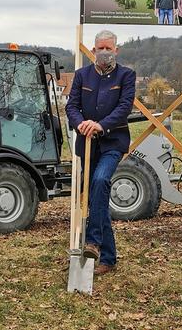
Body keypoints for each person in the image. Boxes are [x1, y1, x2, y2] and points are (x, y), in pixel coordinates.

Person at [66, 30, 136, 276]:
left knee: (100, 180)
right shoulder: (81, 75)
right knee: (97, 196)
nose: (104, 52)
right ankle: (108, 257)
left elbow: (124, 107)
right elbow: (71, 106)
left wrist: (101, 124)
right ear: (93, 50)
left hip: (112, 142)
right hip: (87, 144)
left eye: (108, 48)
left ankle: (93, 241)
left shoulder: (126, 75)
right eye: (99, 48)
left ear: (116, 50)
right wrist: (81, 124)